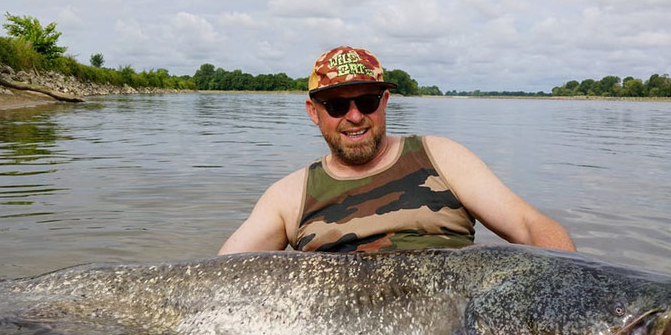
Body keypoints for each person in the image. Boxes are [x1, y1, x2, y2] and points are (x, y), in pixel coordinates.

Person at [219, 46, 575, 255]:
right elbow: (220, 276)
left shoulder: (442, 157)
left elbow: (530, 228)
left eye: (367, 100)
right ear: (314, 112)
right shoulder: (288, 196)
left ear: (385, 102)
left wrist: (569, 291)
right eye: (337, 106)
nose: (355, 116)